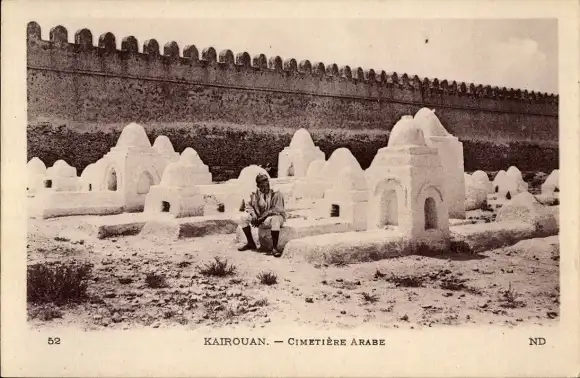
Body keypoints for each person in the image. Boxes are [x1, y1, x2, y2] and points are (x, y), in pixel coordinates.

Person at [237, 173, 286, 257]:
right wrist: (253, 214)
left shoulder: (277, 193)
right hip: (260, 218)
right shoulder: (254, 193)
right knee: (242, 218)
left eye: (266, 186)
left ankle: (274, 248)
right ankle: (250, 243)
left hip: (275, 217)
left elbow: (276, 210)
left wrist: (261, 218)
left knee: (275, 219)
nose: (265, 188)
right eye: (262, 187)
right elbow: (248, 205)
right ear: (258, 186)